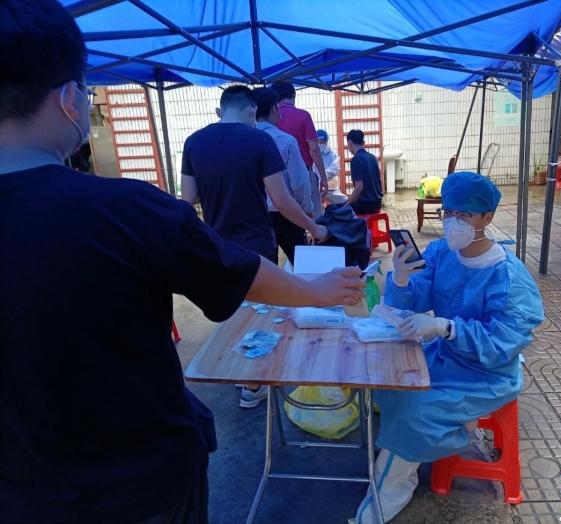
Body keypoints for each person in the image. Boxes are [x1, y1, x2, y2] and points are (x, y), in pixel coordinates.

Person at [0, 3, 365, 523]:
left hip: (20, 490)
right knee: (260, 326)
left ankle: (248, 386)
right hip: (140, 477)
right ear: (66, 99)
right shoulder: (126, 209)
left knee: (240, 336)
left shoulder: (191, 148)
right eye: (85, 92)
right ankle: (255, 386)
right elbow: (271, 216)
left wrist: (185, 229)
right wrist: (316, 277)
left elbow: (187, 200)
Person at [353, 172, 544, 523]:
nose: (453, 221)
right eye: (449, 212)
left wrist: (447, 327)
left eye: (465, 214)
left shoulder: (508, 277)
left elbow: (504, 340)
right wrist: (402, 279)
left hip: (485, 374)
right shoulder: (443, 252)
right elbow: (418, 296)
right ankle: (409, 444)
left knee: (415, 410)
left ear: (487, 217)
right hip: (443, 356)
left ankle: (389, 492)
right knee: (388, 378)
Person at [181, 85, 327, 267]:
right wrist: (314, 228)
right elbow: (281, 200)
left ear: (220, 111)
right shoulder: (260, 140)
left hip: (218, 244)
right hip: (257, 244)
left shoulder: (193, 142)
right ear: (253, 110)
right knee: (271, 284)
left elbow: (188, 198)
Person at [253, 87, 312, 264]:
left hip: (257, 216)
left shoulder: (245, 142)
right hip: (288, 213)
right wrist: (305, 210)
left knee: (265, 268)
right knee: (302, 264)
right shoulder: (286, 140)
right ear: (274, 109)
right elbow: (300, 183)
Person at [270, 81, 327, 219]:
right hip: (304, 174)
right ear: (293, 95)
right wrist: (323, 177)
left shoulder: (270, 119)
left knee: (283, 217)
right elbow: (314, 149)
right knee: (314, 217)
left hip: (276, 177)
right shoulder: (303, 116)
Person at [345, 129, 383, 215]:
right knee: (347, 202)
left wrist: (346, 204)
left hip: (366, 205)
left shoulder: (356, 160)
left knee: (336, 209)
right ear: (363, 143)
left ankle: (358, 224)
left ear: (350, 143)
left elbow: (359, 187)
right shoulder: (373, 157)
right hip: (378, 203)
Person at [314, 129, 347, 205]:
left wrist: (325, 175)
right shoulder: (311, 153)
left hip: (331, 188)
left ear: (326, 141)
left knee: (345, 202)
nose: (321, 144)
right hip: (315, 188)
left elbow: (336, 167)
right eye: (319, 142)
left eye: (323, 142)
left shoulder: (332, 153)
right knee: (316, 207)